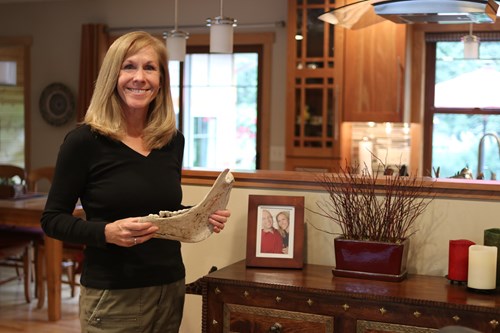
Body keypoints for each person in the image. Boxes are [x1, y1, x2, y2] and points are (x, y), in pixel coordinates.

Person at [40, 31, 230, 333]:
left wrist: (200, 214)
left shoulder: (172, 142)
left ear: (161, 80)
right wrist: (106, 232)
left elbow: (159, 208)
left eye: (150, 68)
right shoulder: (83, 142)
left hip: (169, 287)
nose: (139, 77)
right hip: (113, 295)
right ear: (112, 76)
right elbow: (52, 220)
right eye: (129, 66)